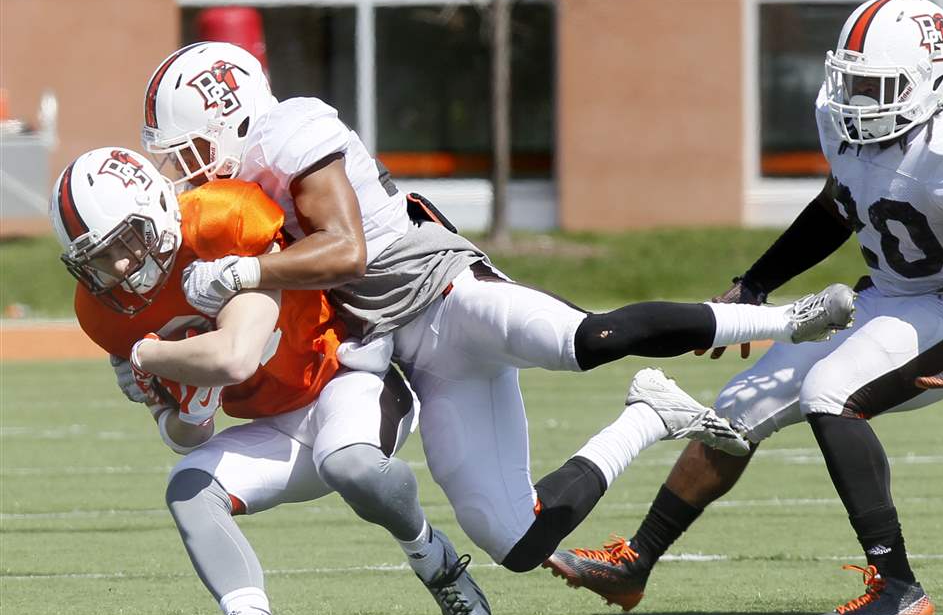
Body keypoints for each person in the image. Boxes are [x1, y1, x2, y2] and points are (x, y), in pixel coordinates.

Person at [140, 42, 857, 578]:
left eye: (190, 148)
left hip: (447, 290)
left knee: (588, 338)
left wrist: (243, 269)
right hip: (407, 349)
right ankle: (646, 417)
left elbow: (347, 251)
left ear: (230, 115)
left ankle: (788, 319)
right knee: (516, 543)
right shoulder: (235, 190)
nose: (187, 167)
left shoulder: (289, 130)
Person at [545, 0, 943, 615]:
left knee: (829, 392)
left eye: (879, 85)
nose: (859, 99)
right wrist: (755, 285)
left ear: (931, 81)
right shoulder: (849, 124)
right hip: (885, 296)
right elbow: (836, 207)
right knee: (735, 410)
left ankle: (898, 587)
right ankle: (636, 562)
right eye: (853, 81)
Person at [51, 147, 493, 615]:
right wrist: (192, 411)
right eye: (99, 257)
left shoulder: (223, 221)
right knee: (189, 488)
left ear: (157, 209)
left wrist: (147, 355)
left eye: (125, 240)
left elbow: (235, 357)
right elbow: (181, 436)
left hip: (346, 379)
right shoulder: (104, 312)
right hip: (276, 424)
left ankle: (432, 558)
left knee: (349, 464)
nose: (120, 266)